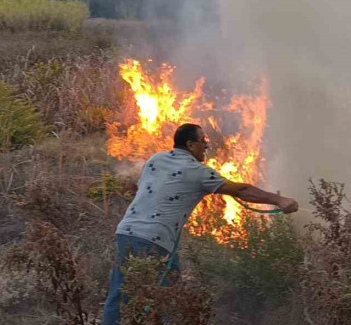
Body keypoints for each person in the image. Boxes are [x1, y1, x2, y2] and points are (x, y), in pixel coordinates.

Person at [101, 123, 299, 324]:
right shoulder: (197, 171)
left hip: (127, 231)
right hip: (155, 239)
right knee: (169, 298)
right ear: (190, 144)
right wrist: (279, 200)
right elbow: (241, 190)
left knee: (122, 291)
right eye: (202, 141)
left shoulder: (156, 159)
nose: (206, 145)